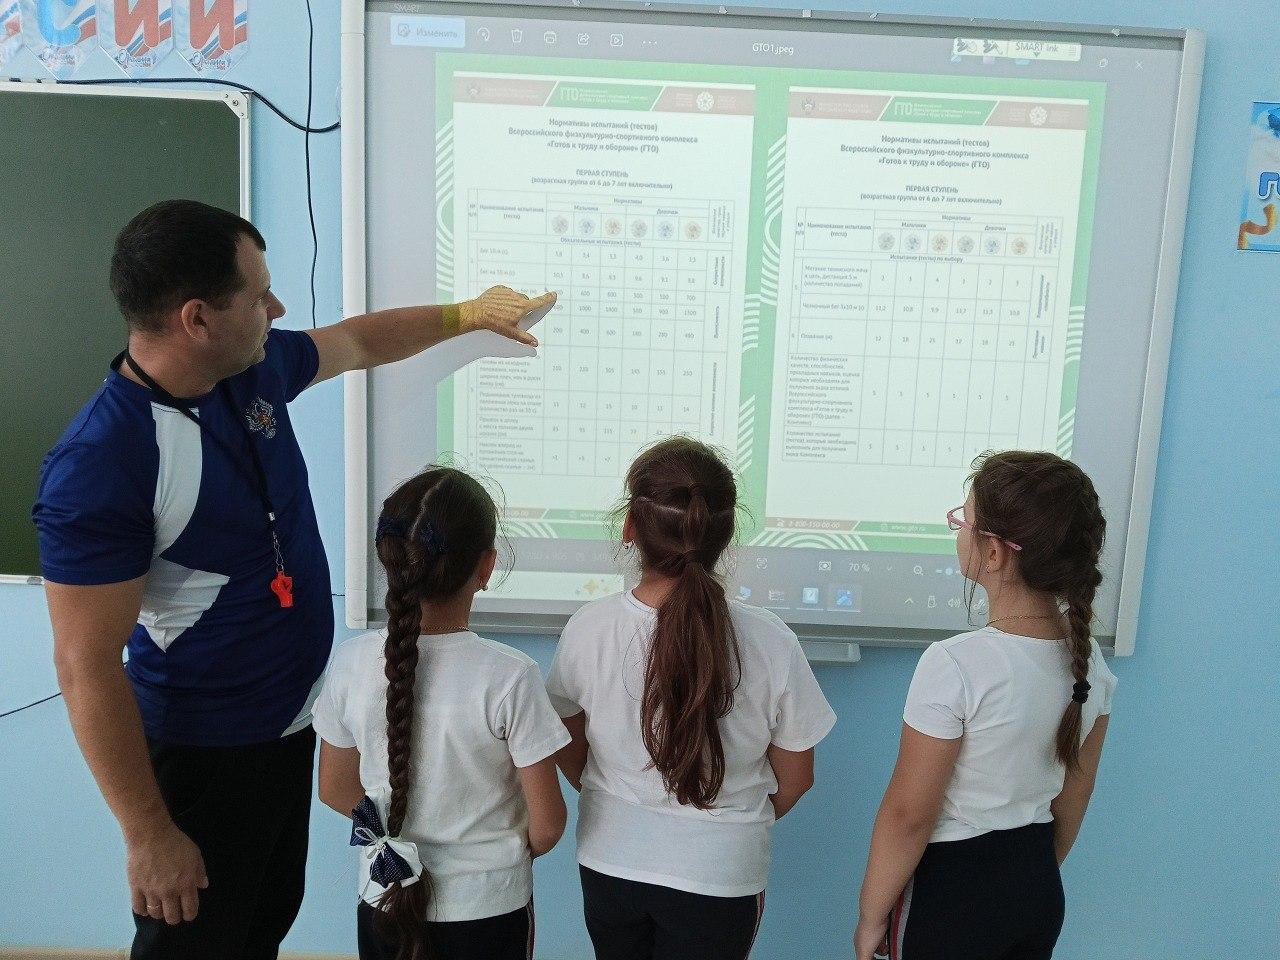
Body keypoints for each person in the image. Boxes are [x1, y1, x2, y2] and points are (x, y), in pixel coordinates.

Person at [31, 199, 554, 959]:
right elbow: (84, 667)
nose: (277, 309)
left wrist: (466, 314)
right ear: (196, 319)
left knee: (260, 927)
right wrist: (148, 833)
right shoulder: (103, 464)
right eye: (258, 296)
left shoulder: (249, 369)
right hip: (205, 753)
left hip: (287, 730)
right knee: (197, 945)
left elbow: (357, 341)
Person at [547, 436, 837, 960]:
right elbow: (797, 778)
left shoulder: (588, 628)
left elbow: (567, 745)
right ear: (723, 535)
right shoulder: (771, 640)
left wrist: (616, 798)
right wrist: (735, 826)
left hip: (611, 862)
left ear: (630, 527)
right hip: (721, 872)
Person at [853, 451, 1118, 960]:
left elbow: (909, 814)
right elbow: (1073, 798)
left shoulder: (955, 664)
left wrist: (871, 915)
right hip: (1036, 886)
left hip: (951, 894)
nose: (958, 531)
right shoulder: (1090, 665)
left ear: (993, 552)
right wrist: (1026, 882)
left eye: (963, 522)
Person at [313, 466, 569, 960]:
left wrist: (392, 840)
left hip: (383, 894)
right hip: (488, 907)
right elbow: (548, 824)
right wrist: (495, 859)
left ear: (390, 561)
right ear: (486, 566)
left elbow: (334, 788)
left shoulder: (350, 662)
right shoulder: (511, 675)